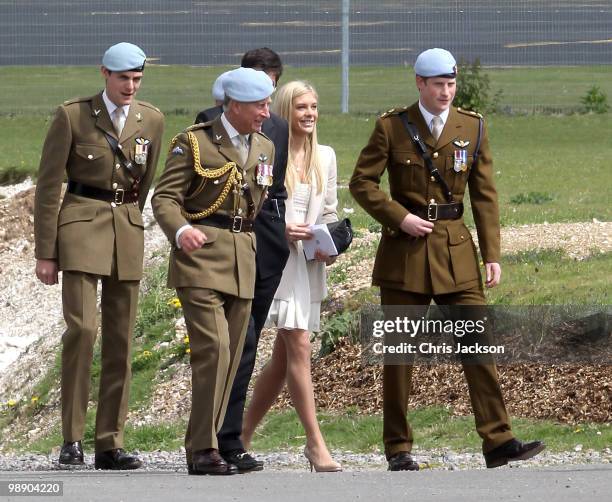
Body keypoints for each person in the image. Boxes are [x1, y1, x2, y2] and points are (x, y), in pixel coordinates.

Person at [349, 48, 545, 471]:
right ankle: (398, 448)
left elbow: (485, 194)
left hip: (457, 253)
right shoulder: (392, 127)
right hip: (405, 255)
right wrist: (399, 217)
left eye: (451, 84)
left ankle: (498, 440)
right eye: (438, 84)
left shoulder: (471, 127)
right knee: (399, 356)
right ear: (420, 84)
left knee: (478, 346)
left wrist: (492, 254)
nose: (446, 91)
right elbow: (362, 183)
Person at [33, 42, 164, 470]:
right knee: (83, 331)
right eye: (123, 77)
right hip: (80, 226)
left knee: (121, 341)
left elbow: (143, 185)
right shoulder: (73, 115)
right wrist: (46, 252)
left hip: (125, 229)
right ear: (104, 74)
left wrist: (131, 222)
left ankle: (110, 442)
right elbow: (49, 186)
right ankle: (72, 438)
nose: (130, 86)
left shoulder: (153, 119)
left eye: (137, 79)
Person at [152, 67, 275, 476]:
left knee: (234, 354)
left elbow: (257, 202)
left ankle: (213, 442)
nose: (266, 112)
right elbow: (165, 198)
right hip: (201, 258)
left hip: (242, 260)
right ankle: (202, 448)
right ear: (235, 105)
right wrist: (182, 230)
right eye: (260, 105)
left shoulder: (264, 148)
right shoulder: (194, 142)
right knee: (215, 350)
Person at [193, 47, 290, 472]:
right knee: (226, 344)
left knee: (246, 348)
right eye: (256, 92)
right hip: (218, 246)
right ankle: (209, 442)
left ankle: (230, 439)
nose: (264, 104)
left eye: (269, 88)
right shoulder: (205, 124)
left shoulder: (277, 131)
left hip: (261, 248)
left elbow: (275, 189)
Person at [241, 80, 342, 473]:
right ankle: (315, 444)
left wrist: (331, 243)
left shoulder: (327, 157)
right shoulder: (267, 153)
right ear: (285, 111)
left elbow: (330, 211)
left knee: (284, 360)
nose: (310, 114)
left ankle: (240, 435)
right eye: (302, 107)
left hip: (308, 261)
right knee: (298, 343)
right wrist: (280, 229)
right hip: (275, 260)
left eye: (314, 107)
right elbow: (255, 205)